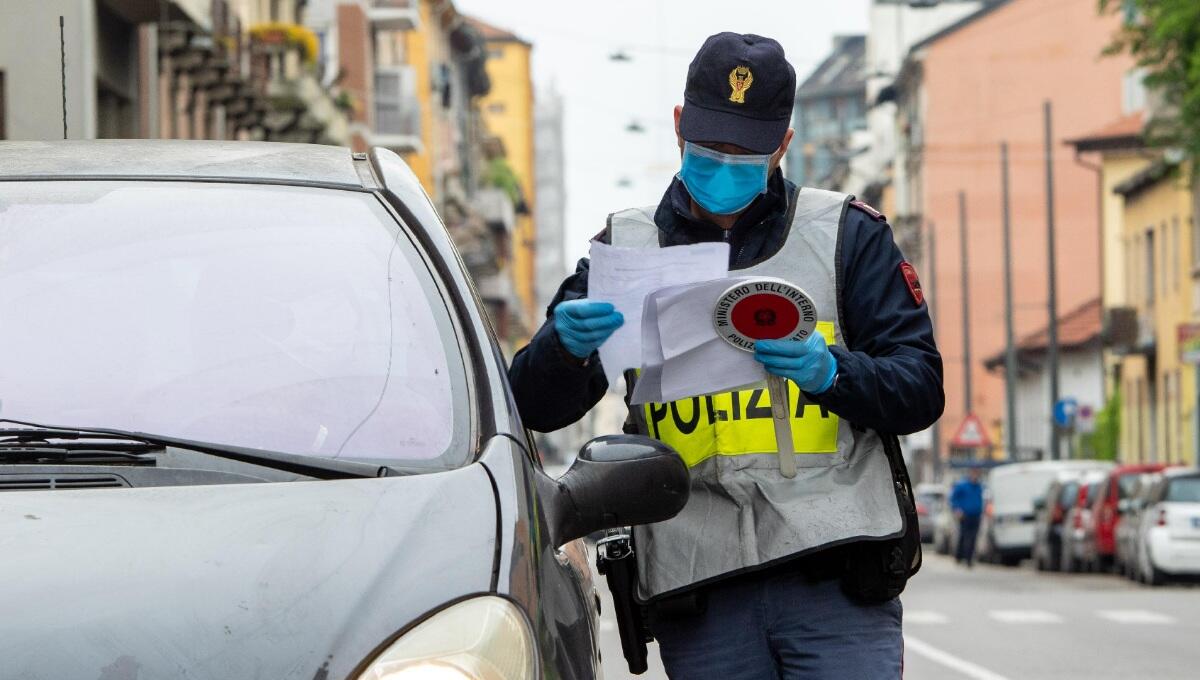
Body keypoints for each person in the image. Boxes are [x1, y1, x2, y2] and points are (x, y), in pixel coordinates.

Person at [509, 32, 943, 679]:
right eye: (712, 148)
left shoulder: (847, 235)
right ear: (680, 127)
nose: (727, 164)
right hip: (703, 589)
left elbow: (921, 388)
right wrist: (561, 349)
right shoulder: (626, 248)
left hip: (831, 577)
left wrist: (834, 372)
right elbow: (535, 408)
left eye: (748, 152)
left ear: (784, 146)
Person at [950, 467, 985, 567]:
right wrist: (957, 509)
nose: (975, 476)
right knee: (964, 537)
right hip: (964, 515)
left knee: (973, 537)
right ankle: (960, 556)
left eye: (977, 474)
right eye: (974, 473)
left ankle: (969, 559)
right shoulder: (962, 485)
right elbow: (953, 498)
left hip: (976, 515)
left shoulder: (979, 486)